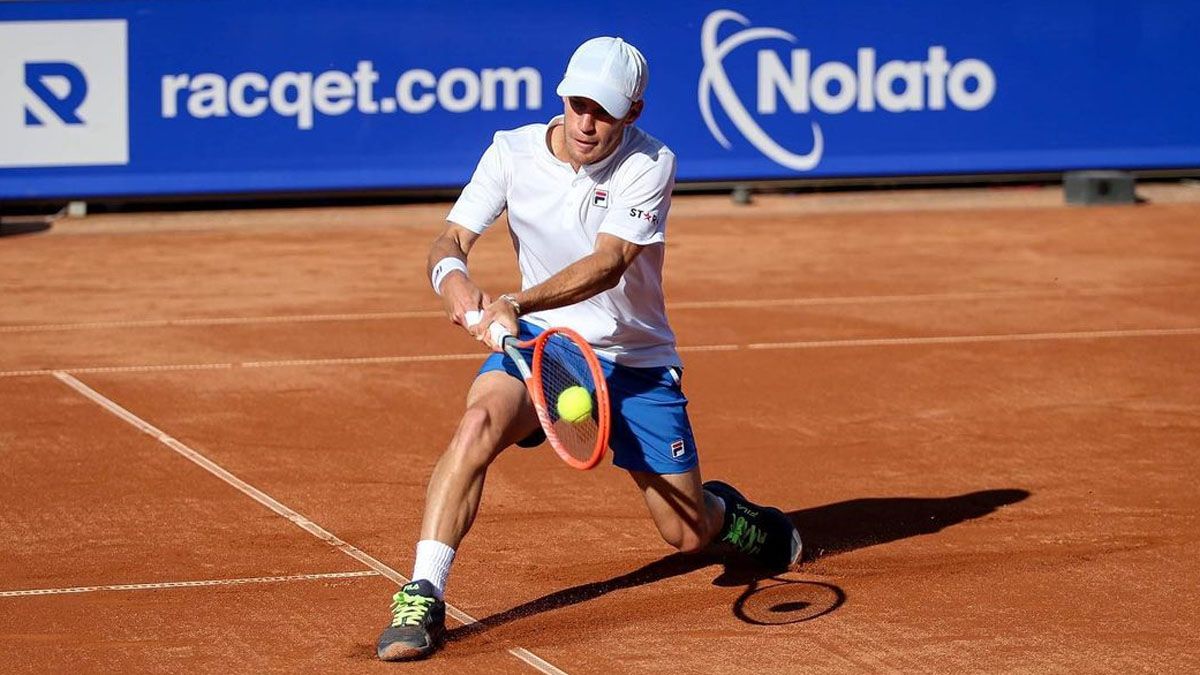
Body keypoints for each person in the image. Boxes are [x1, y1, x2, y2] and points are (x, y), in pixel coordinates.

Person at [376, 36, 801, 662]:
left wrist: (515, 302)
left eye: (603, 111)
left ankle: (731, 517)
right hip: (542, 351)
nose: (585, 123)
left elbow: (607, 264)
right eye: (577, 104)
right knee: (475, 426)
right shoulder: (512, 151)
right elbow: (449, 240)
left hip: (634, 364)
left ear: (633, 113)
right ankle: (422, 593)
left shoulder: (648, 163)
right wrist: (454, 281)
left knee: (685, 536)